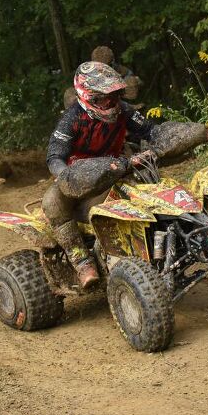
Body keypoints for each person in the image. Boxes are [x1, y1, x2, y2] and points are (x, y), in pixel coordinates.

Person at [44, 61, 155, 289]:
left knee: (147, 182)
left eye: (113, 96)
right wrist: (65, 175)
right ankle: (82, 261)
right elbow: (54, 156)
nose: (110, 103)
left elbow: (151, 130)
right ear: (88, 97)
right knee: (52, 202)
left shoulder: (123, 110)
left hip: (116, 170)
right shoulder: (71, 118)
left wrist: (161, 144)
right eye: (103, 98)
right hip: (79, 176)